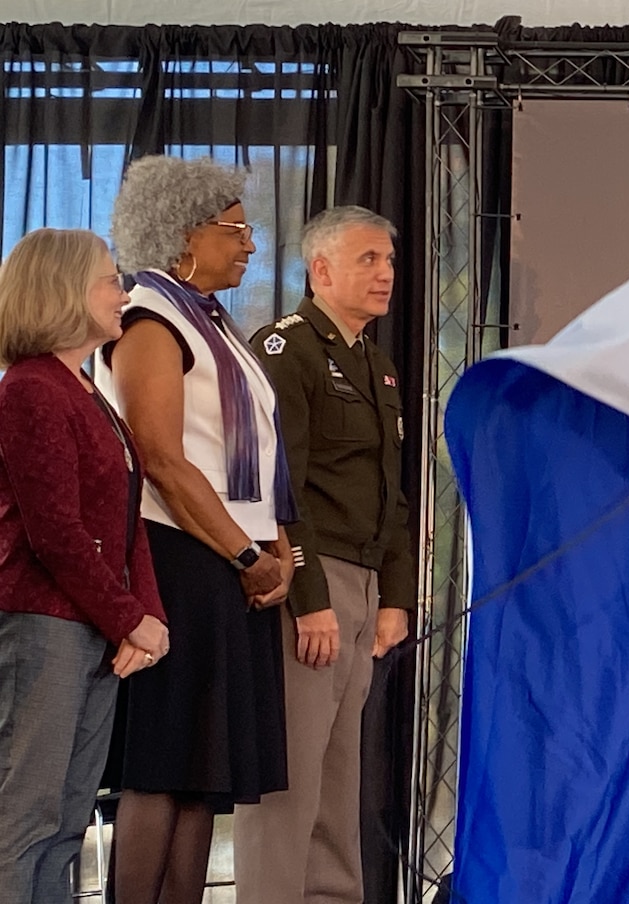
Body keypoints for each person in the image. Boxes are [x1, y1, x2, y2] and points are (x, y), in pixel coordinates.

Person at [95, 156, 298, 904]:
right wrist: (246, 554)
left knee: (203, 776)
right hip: (181, 557)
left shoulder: (211, 320)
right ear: (184, 234)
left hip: (229, 560)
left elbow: (256, 452)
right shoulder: (150, 318)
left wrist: (278, 549)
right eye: (237, 230)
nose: (251, 246)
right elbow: (162, 459)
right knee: (163, 764)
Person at [233, 205, 415, 904]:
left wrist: (396, 595)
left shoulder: (378, 364)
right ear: (322, 269)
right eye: (368, 259)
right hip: (315, 581)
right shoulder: (288, 350)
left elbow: (391, 489)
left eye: (390, 261)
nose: (385, 274)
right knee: (290, 780)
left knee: (340, 779)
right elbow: (283, 489)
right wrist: (309, 602)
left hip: (365, 586)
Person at [0, 229, 169, 904]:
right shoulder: (31, 390)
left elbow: (127, 522)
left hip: (92, 630)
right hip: (44, 627)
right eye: (109, 280)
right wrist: (128, 617)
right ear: (65, 291)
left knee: (69, 819)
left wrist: (145, 617)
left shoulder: (86, 391)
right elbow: (56, 534)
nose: (123, 290)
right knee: (25, 819)